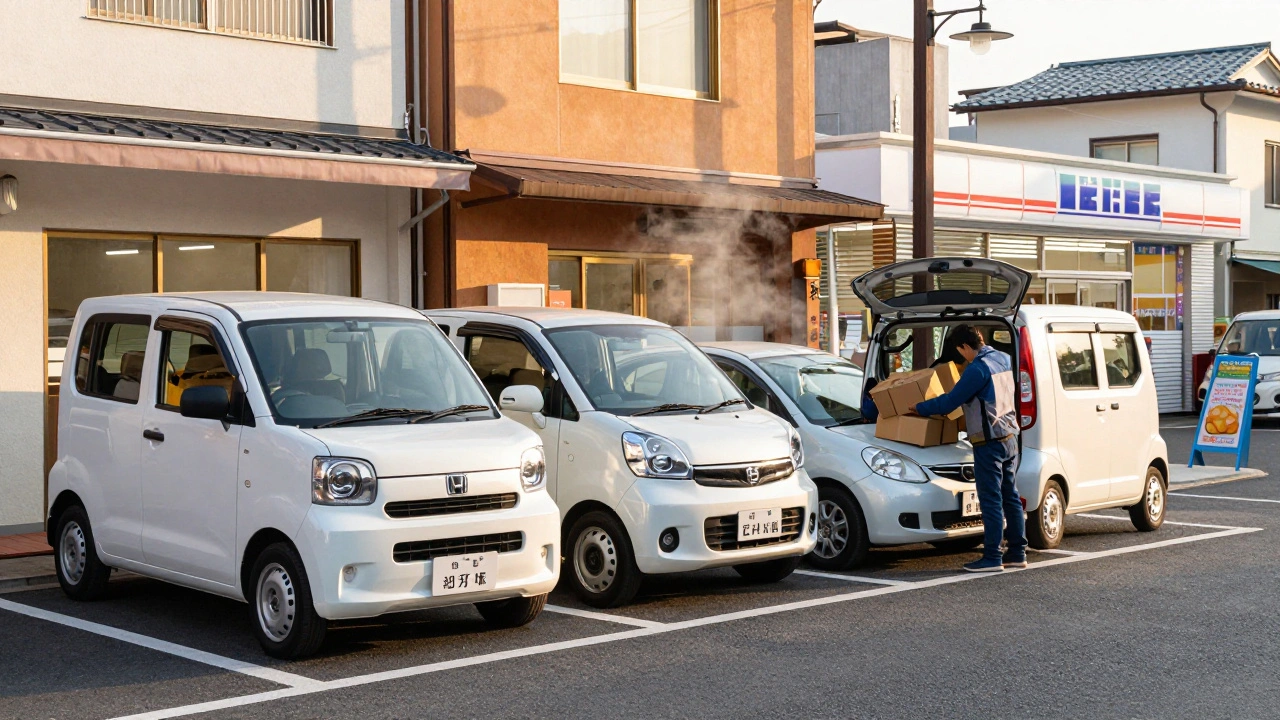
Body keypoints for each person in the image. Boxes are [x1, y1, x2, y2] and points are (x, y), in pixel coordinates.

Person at [909, 325, 1027, 573]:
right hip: (1010, 436)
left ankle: (992, 557)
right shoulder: (1003, 358)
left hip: (989, 442)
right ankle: (1017, 552)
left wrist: (919, 408)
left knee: (991, 499)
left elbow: (950, 401)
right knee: (1011, 497)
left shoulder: (977, 370)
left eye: (960, 351)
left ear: (964, 347)